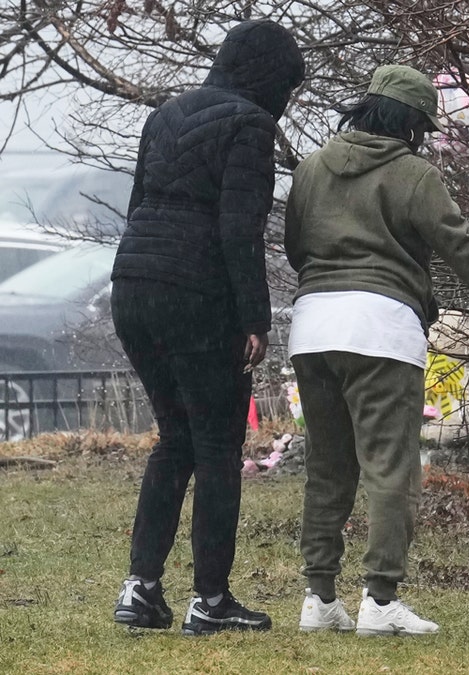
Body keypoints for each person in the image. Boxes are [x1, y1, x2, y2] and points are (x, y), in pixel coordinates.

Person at [284, 64, 469, 636]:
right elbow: (467, 256)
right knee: (389, 469)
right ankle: (379, 602)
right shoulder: (413, 175)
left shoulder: (309, 169)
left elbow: (296, 247)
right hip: (381, 331)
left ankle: (319, 598)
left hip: (313, 328)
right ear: (415, 125)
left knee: (327, 469)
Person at [109, 19, 305, 636]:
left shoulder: (165, 114)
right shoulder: (250, 125)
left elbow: (140, 203)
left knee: (175, 440)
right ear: (273, 78)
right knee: (218, 445)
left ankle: (141, 590)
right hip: (196, 293)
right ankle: (211, 600)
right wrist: (254, 317)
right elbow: (238, 229)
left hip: (134, 285)